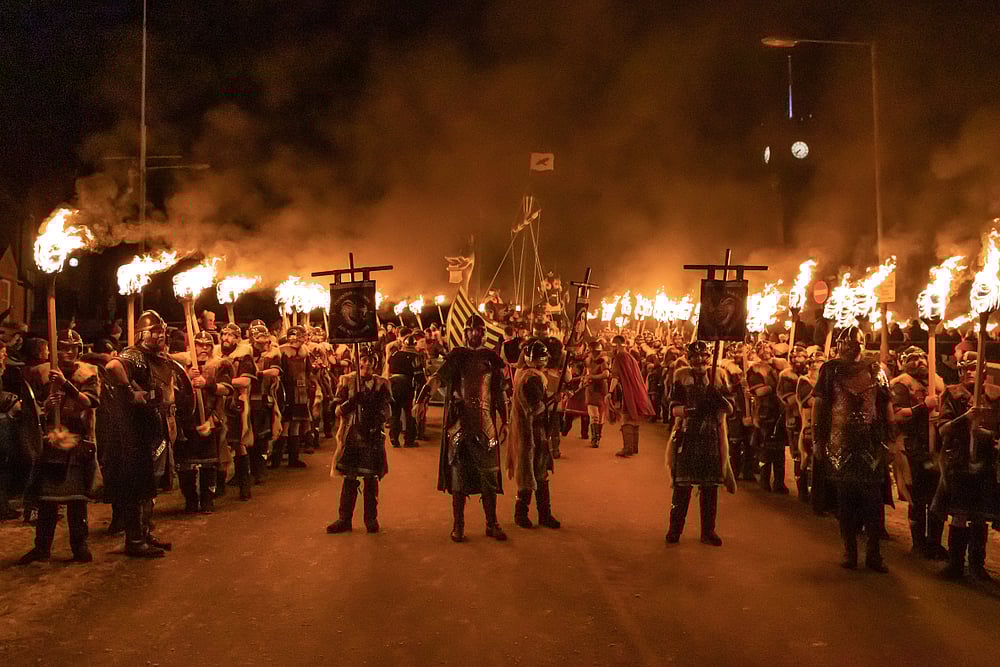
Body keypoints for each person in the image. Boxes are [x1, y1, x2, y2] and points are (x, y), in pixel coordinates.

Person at [103, 311, 192, 558]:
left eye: (162, 331)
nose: (161, 336)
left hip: (156, 428)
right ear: (143, 333)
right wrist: (131, 390)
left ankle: (144, 532)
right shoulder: (135, 355)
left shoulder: (158, 358)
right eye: (155, 332)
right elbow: (112, 366)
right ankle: (134, 540)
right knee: (139, 486)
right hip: (137, 433)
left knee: (151, 486)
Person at [17, 329, 100, 564]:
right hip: (51, 443)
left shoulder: (88, 373)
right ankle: (42, 548)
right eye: (63, 347)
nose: (68, 352)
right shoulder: (40, 374)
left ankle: (79, 546)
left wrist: (66, 386)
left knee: (77, 501)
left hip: (77, 442)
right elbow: (31, 410)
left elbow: (90, 401)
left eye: (73, 348)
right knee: (47, 502)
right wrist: (45, 405)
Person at [813, 326, 891, 573]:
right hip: (840, 441)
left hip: (870, 442)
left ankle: (874, 554)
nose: (848, 347)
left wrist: (890, 438)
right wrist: (817, 439)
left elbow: (884, 406)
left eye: (853, 343)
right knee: (845, 501)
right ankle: (849, 550)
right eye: (844, 343)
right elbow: (820, 404)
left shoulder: (877, 370)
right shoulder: (830, 370)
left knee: (873, 502)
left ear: (861, 344)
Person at [437, 314, 509, 543]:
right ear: (465, 333)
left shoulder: (491, 359)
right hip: (460, 424)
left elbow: (499, 393)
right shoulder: (457, 357)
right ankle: (458, 526)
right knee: (459, 477)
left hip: (486, 423)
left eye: (479, 330)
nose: (476, 333)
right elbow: (440, 383)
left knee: (489, 475)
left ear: (484, 333)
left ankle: (492, 523)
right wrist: (447, 400)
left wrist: (505, 420)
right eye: (472, 330)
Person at [933, 352, 999, 581]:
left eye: (973, 367)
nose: (968, 372)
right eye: (965, 368)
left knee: (980, 517)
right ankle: (955, 564)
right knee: (959, 515)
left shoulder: (995, 395)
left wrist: (987, 434)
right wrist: (966, 419)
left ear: (983, 371)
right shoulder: (952, 394)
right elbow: (942, 429)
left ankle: (977, 565)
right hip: (959, 462)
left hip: (985, 463)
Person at [665, 341, 735, 546]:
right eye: (694, 356)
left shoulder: (720, 376)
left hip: (711, 436)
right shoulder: (680, 376)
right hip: (688, 434)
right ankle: (674, 529)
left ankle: (708, 531)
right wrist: (692, 410)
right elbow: (673, 408)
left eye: (702, 356)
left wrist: (719, 399)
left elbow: (730, 409)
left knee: (710, 487)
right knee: (682, 488)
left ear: (708, 356)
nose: (698, 360)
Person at [890, 346, 947, 559]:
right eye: (913, 358)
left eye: (923, 357)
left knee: (936, 497)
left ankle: (935, 542)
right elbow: (896, 415)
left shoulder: (938, 382)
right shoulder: (901, 385)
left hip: (936, 447)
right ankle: (919, 542)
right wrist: (923, 407)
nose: (920, 361)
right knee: (918, 498)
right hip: (912, 446)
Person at [327, 346, 391, 534]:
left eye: (370, 361)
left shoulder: (382, 383)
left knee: (371, 478)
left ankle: (371, 519)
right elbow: (336, 409)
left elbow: (388, 411)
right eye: (363, 360)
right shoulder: (347, 381)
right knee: (350, 476)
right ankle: (344, 519)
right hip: (352, 435)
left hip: (372, 436)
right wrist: (351, 402)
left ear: (376, 363)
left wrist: (377, 415)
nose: (366, 364)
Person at [175, 331, 232, 514]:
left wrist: (207, 383)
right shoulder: (180, 368)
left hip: (210, 420)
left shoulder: (220, 365)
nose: (204, 349)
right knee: (186, 467)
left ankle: (207, 500)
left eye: (208, 345)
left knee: (209, 465)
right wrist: (187, 379)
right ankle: (190, 501)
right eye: (199, 345)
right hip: (186, 423)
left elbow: (227, 389)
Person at [506, 340, 560, 530]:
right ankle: (521, 514)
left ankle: (544, 514)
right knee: (530, 473)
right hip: (530, 432)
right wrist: (553, 401)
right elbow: (535, 407)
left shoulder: (529, 375)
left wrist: (553, 399)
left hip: (535, 431)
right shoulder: (532, 378)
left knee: (541, 473)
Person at [746, 341, 789, 493]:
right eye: (762, 349)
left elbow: (789, 384)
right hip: (765, 412)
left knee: (779, 450)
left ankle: (779, 482)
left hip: (780, 411)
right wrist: (775, 386)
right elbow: (759, 391)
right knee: (766, 448)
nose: (766, 351)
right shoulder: (754, 369)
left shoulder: (781, 366)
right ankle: (764, 479)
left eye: (768, 348)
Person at [220, 323, 255, 501]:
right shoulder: (215, 356)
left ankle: (244, 485)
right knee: (218, 444)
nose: (226, 338)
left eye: (230, 335)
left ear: (237, 338)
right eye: (224, 334)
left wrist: (224, 383)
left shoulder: (243, 357)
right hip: (217, 405)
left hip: (235, 404)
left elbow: (245, 382)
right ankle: (219, 485)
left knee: (238, 444)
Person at [609, 335, 656, 458]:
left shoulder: (619, 357)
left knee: (626, 418)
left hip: (629, 389)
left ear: (617, 345)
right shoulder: (630, 356)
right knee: (633, 418)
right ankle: (634, 447)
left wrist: (610, 392)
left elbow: (615, 376)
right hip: (636, 389)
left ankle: (628, 448)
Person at [248, 323, 281, 481]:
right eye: (259, 337)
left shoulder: (272, 354)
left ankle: (260, 470)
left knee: (262, 437)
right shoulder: (244, 354)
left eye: (264, 337)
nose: (263, 341)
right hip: (245, 400)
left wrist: (258, 373)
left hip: (263, 399)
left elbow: (275, 372)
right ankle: (246, 471)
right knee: (246, 437)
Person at [274, 325, 311, 468]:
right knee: (285, 424)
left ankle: (293, 459)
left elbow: (308, 371)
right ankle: (277, 458)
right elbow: (280, 373)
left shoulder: (305, 353)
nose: (302, 340)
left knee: (295, 424)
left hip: (301, 391)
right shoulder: (282, 352)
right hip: (286, 391)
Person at [778, 345, 808, 499]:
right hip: (795, 419)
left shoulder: (812, 375)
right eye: (794, 357)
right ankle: (802, 490)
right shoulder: (786, 376)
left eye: (800, 357)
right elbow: (789, 399)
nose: (797, 360)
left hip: (810, 420)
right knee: (798, 453)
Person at [387, 334, 423, 448]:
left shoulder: (394, 354)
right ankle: (409, 440)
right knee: (409, 413)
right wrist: (423, 387)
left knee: (395, 413)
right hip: (406, 386)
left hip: (393, 385)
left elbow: (390, 368)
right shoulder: (415, 356)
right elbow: (419, 375)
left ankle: (394, 438)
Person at [583, 340, 609, 448]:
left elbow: (606, 374)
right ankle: (595, 438)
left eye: (596, 352)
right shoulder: (587, 361)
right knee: (594, 415)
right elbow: (585, 373)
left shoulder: (602, 361)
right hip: (591, 389)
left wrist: (592, 377)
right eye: (593, 352)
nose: (594, 354)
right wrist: (585, 380)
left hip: (601, 390)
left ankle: (598, 437)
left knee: (601, 416)